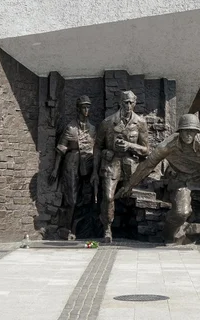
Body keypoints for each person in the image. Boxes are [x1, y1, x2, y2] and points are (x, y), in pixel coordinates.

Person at [116, 114, 200, 244]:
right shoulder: (168, 144)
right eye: (185, 131)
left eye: (192, 131)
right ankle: (169, 236)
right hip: (180, 179)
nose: (188, 135)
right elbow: (147, 165)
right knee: (181, 212)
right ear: (180, 132)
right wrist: (129, 186)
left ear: (197, 132)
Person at [91, 90, 149, 243]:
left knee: (136, 196)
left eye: (131, 102)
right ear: (120, 103)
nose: (128, 105)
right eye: (125, 102)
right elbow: (97, 147)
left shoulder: (140, 123)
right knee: (109, 196)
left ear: (135, 103)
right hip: (112, 163)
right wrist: (104, 155)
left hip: (131, 165)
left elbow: (147, 150)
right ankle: (107, 229)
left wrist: (130, 145)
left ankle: (137, 228)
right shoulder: (108, 122)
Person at [49, 96, 96, 231]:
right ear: (78, 109)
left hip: (87, 164)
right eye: (83, 107)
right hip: (71, 163)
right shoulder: (70, 127)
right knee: (72, 198)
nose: (86, 109)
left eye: (88, 107)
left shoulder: (92, 129)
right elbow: (61, 149)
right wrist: (55, 169)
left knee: (86, 198)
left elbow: (96, 150)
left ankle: (80, 228)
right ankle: (67, 228)